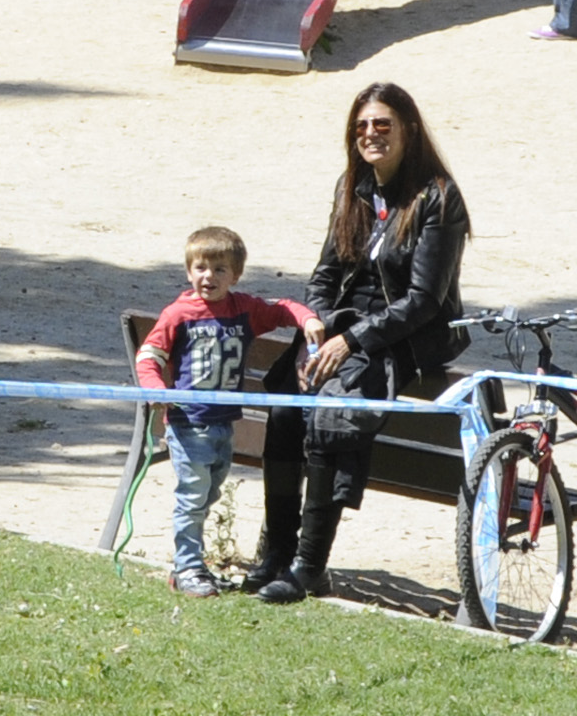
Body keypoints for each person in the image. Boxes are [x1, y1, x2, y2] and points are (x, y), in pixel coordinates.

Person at [256, 83, 469, 605]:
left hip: (410, 334)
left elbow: (423, 299)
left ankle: (309, 566)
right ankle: (275, 554)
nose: (370, 135)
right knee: (285, 407)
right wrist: (319, 328)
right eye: (361, 127)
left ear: (408, 130)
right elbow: (324, 275)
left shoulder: (437, 197)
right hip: (346, 329)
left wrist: (351, 341)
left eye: (382, 125)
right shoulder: (351, 187)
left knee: (332, 411)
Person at [133, 226, 322, 598]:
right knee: (192, 496)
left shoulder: (243, 310)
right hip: (189, 424)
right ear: (189, 271)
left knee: (208, 495)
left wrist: (307, 318)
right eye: (201, 268)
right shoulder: (178, 313)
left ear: (235, 276)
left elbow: (281, 309)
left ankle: (194, 565)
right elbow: (148, 356)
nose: (209, 277)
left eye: (220, 270)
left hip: (223, 425)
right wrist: (155, 389)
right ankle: (186, 567)